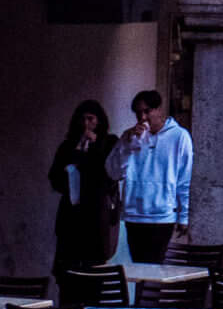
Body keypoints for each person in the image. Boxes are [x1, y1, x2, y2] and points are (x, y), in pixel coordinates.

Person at [107, 90, 190, 264]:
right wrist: (128, 146)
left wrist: (184, 216)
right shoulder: (128, 137)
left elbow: (184, 180)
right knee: (139, 267)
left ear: (159, 109)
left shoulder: (179, 137)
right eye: (138, 113)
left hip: (162, 214)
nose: (142, 117)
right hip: (133, 213)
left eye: (146, 111)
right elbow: (114, 173)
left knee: (155, 267)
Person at [48, 100, 115, 292]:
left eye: (90, 119)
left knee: (93, 276)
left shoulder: (108, 143)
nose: (86, 124)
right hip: (71, 217)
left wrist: (92, 149)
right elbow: (55, 178)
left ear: (99, 121)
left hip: (94, 218)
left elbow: (105, 176)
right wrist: (77, 150)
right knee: (67, 275)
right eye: (82, 119)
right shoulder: (68, 146)